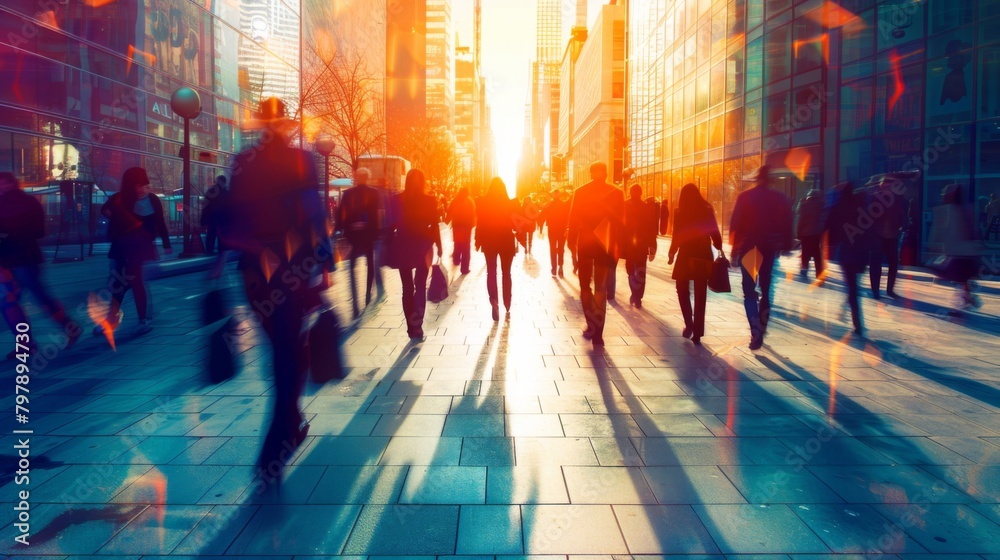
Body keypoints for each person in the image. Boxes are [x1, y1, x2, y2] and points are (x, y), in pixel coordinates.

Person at [221, 97, 328, 482]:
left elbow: (230, 220)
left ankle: (290, 424)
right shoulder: (301, 161)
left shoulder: (242, 163)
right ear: (286, 126)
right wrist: (324, 265)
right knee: (289, 352)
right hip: (293, 269)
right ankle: (278, 442)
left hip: (254, 273)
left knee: (282, 349)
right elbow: (314, 214)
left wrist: (248, 251)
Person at [0, 173, 81, 358]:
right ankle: (69, 328)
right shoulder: (30, 202)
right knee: (37, 298)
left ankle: (26, 344)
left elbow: (7, 232)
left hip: (11, 260)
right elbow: (39, 231)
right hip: (26, 258)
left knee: (9, 302)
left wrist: (6, 237)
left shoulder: (5, 203)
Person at [94, 167, 172, 338]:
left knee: (132, 282)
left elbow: (160, 222)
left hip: (139, 248)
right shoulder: (121, 198)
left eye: (142, 184)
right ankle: (119, 318)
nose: (139, 188)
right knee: (120, 284)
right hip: (121, 247)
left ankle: (140, 319)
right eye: (135, 185)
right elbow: (105, 210)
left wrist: (166, 243)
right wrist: (117, 220)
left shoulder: (151, 200)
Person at [729, 164, 793, 350]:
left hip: (749, 249)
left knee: (749, 291)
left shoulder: (745, 197)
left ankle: (755, 331)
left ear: (757, 178)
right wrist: (786, 245)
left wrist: (734, 251)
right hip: (768, 249)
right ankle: (762, 328)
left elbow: (735, 226)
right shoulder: (779, 199)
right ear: (770, 179)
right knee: (766, 290)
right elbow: (787, 222)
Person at [568, 162, 625, 348]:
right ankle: (598, 332)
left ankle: (591, 325)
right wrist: (618, 247)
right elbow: (619, 223)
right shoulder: (616, 193)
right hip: (604, 243)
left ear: (591, 173)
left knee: (585, 286)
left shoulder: (581, 191)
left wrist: (571, 244)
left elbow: (573, 220)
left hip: (585, 243)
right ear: (607, 174)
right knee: (601, 288)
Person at [667, 184, 722, 345]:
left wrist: (672, 252)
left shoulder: (680, 212)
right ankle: (698, 332)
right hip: (703, 255)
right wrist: (718, 245)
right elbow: (714, 232)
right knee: (700, 294)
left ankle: (689, 324)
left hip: (685, 255)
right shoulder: (707, 209)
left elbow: (677, 234)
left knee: (682, 290)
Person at [391, 169, 443, 339]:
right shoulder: (429, 200)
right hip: (423, 248)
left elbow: (391, 225)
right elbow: (434, 225)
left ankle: (410, 327)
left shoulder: (397, 199)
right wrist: (439, 245)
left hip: (403, 247)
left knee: (407, 288)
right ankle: (417, 325)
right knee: (420, 286)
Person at [825, 182, 872, 336]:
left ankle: (856, 320)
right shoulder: (863, 207)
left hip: (846, 252)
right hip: (862, 251)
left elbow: (830, 232)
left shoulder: (837, 208)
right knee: (855, 286)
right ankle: (854, 314)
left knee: (852, 287)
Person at [337, 167, 385, 318]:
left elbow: (340, 214)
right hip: (369, 235)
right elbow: (379, 214)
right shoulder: (375, 193)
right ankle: (367, 295)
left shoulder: (348, 193)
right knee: (370, 263)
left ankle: (354, 304)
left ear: (357, 177)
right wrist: (377, 231)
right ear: (367, 177)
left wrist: (343, 230)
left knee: (352, 267)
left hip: (352, 235)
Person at [929, 183, 982, 309]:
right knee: (962, 276)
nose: (943, 195)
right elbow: (974, 230)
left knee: (953, 274)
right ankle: (967, 297)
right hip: (968, 252)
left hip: (956, 253)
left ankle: (966, 298)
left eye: (944, 193)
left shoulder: (945, 209)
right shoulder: (966, 209)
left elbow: (938, 230)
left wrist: (932, 245)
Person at [476, 177, 518, 321]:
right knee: (507, 273)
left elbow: (479, 222)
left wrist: (477, 240)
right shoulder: (511, 204)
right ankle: (507, 301)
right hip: (506, 240)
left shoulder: (482, 202)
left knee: (491, 272)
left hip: (489, 241)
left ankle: (494, 300)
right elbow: (516, 225)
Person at [867, 176, 907, 299]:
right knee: (885, 263)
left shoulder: (875, 198)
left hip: (884, 235)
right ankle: (883, 290)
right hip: (884, 236)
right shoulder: (897, 199)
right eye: (885, 185)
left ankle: (880, 291)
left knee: (881, 264)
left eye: (888, 185)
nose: (886, 187)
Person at [622, 184, 658, 308]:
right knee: (641, 271)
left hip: (629, 244)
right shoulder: (646, 207)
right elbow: (652, 229)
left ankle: (634, 293)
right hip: (641, 245)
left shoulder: (625, 206)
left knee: (630, 270)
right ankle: (638, 296)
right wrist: (653, 246)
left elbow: (621, 226)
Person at [796, 187, 826, 281]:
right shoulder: (822, 205)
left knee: (805, 251)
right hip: (817, 232)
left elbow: (801, 220)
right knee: (817, 252)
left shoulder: (804, 205)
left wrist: (798, 232)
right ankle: (819, 272)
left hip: (805, 232)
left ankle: (804, 269)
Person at [541, 188, 571, 277]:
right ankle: (560, 266)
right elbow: (567, 217)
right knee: (561, 248)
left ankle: (554, 267)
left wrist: (541, 227)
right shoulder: (563, 204)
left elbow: (542, 215)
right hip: (561, 229)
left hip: (552, 229)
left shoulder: (549, 204)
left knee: (553, 248)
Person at [446, 187, 477, 275]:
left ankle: (456, 260)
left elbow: (450, 211)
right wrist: (472, 224)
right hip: (466, 227)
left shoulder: (455, 200)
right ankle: (464, 268)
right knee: (466, 247)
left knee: (457, 243)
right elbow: (473, 213)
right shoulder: (469, 201)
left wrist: (447, 220)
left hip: (457, 227)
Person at [201, 175, 229, 253]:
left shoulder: (211, 191)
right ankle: (221, 257)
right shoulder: (227, 193)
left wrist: (203, 220)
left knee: (210, 238)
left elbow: (205, 207)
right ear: (224, 182)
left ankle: (209, 255)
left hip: (212, 219)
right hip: (223, 221)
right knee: (222, 241)